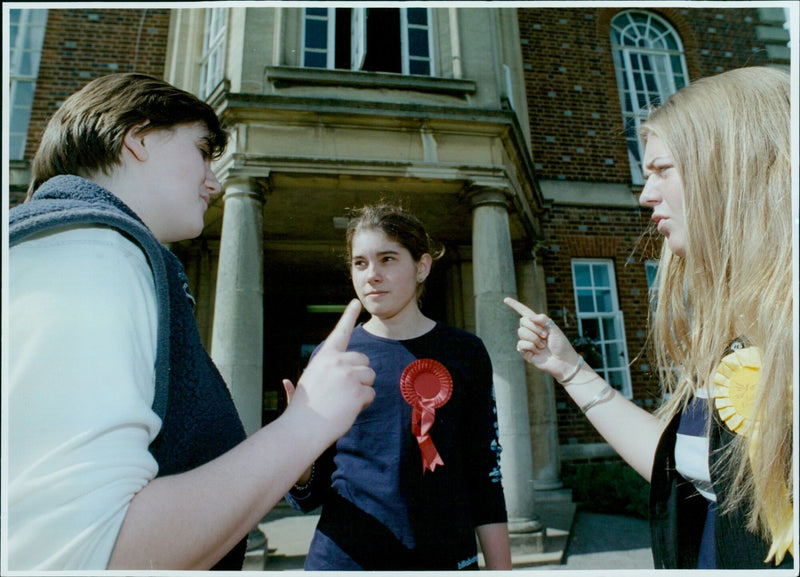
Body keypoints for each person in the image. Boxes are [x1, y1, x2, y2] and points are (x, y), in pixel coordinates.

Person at [7, 73, 375, 570]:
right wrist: (310, 420)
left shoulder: (88, 250)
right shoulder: (90, 252)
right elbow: (86, 554)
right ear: (137, 139)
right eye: (203, 151)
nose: (214, 180)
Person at [505, 66, 794, 570]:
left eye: (663, 170)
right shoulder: (730, 323)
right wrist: (570, 370)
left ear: (731, 164)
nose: (645, 196)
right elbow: (687, 469)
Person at [282, 203, 512, 570]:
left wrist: (501, 570)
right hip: (346, 559)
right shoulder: (333, 354)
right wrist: (297, 452)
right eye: (360, 262)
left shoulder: (465, 352)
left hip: (444, 556)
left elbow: (484, 474)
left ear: (421, 266)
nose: (371, 275)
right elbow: (311, 494)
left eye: (387, 259)